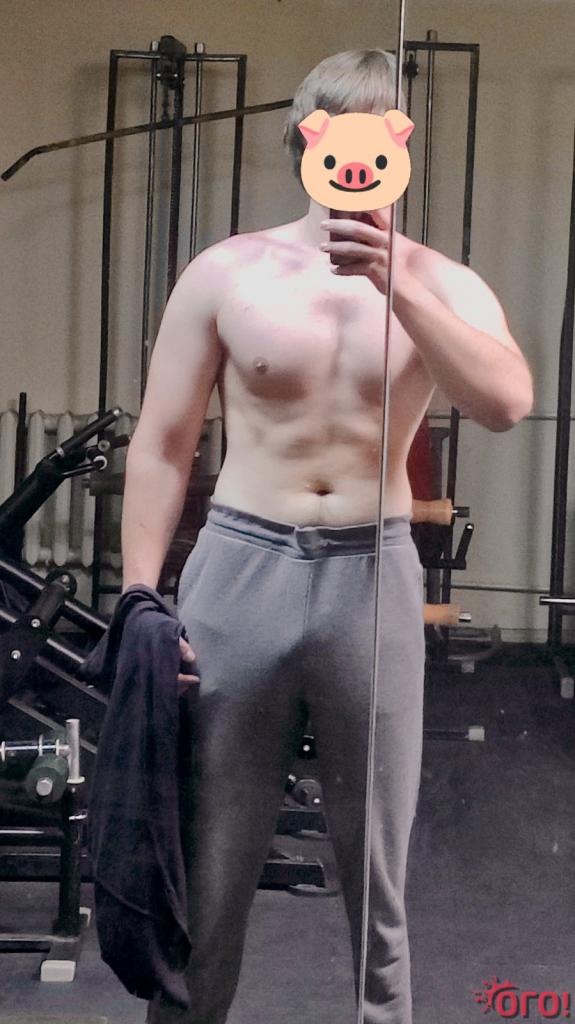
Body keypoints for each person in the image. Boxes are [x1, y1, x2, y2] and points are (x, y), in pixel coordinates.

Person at [121, 49, 534, 1024]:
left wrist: (399, 286)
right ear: (307, 140)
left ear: (399, 144)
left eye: (379, 132)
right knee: (212, 853)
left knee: (374, 858)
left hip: (368, 574)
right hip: (240, 565)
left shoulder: (438, 282)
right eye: (339, 132)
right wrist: (141, 595)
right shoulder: (229, 271)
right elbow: (163, 442)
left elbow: (505, 402)